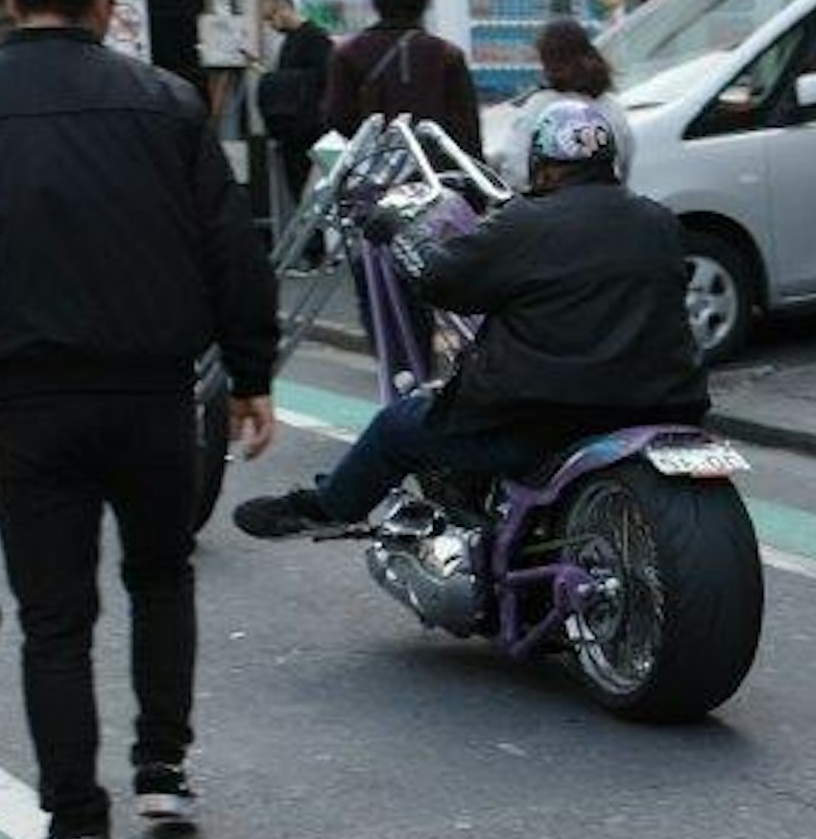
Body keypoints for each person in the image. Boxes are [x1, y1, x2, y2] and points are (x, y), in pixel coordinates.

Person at [0, 0, 280, 839]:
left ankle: (76, 829)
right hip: (153, 394)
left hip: (26, 405)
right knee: (160, 576)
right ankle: (164, 768)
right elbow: (229, 246)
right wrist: (253, 373)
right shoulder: (169, 103)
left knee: (58, 620)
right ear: (109, 4)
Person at [234, 99, 705, 539]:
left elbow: (442, 282)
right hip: (658, 405)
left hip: (542, 422)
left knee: (398, 427)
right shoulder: (658, 220)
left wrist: (399, 233)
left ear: (541, 163)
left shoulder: (526, 223)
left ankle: (327, 509)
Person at [320, 0, 483, 157]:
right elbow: (467, 132)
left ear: (377, 0)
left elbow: (336, 122)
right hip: (435, 178)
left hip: (370, 176)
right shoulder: (447, 55)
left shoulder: (346, 54)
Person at [496, 16, 639, 191]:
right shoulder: (611, 107)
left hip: (549, 208)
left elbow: (516, 170)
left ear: (547, 60)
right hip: (605, 205)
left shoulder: (539, 106)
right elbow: (625, 162)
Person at [254, 0, 335, 210]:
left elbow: (322, 85)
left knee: (313, 203)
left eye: (271, 17)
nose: (270, 25)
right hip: (296, 138)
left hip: (311, 137)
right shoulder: (292, 42)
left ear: (284, 8)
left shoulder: (316, 40)